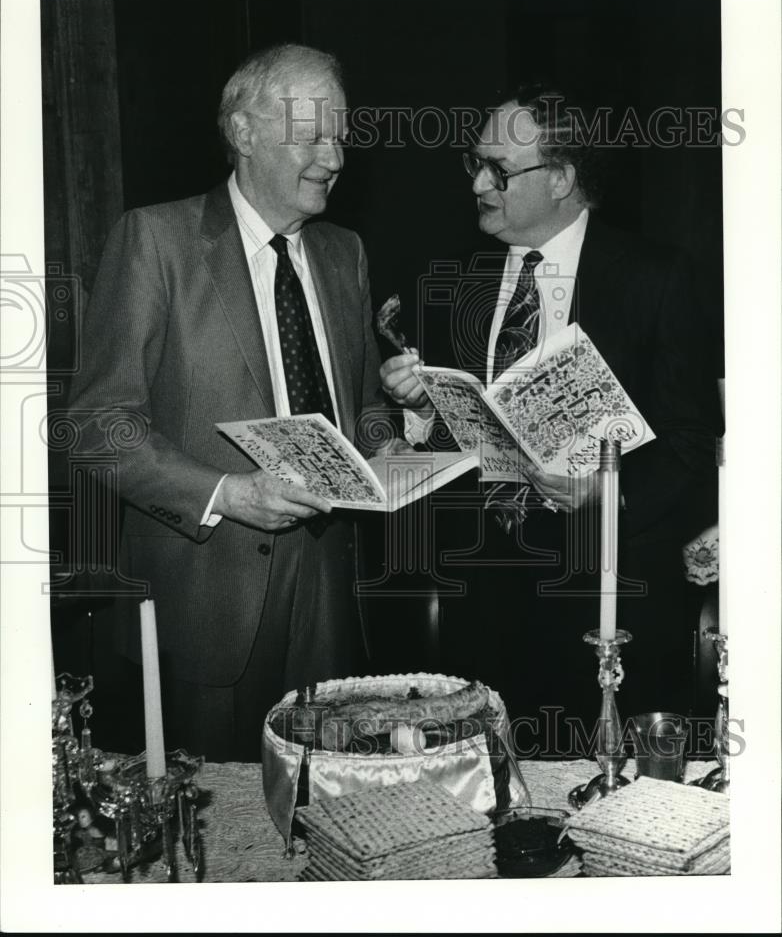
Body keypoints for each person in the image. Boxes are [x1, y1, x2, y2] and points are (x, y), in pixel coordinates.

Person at [69, 44, 386, 761]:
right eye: (311, 136)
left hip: (331, 598)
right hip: (203, 601)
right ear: (243, 134)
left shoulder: (347, 254)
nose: (334, 157)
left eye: (341, 135)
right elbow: (97, 426)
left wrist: (393, 442)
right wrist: (225, 493)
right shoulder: (155, 240)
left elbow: (362, 409)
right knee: (215, 826)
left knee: (333, 809)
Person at [380, 82, 720, 752]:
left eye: (498, 169)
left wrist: (607, 489)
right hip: (481, 592)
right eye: (472, 164)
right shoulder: (457, 277)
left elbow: (690, 443)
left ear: (560, 178)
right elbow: (459, 431)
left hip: (607, 590)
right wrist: (419, 408)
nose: (478, 181)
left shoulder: (656, 276)